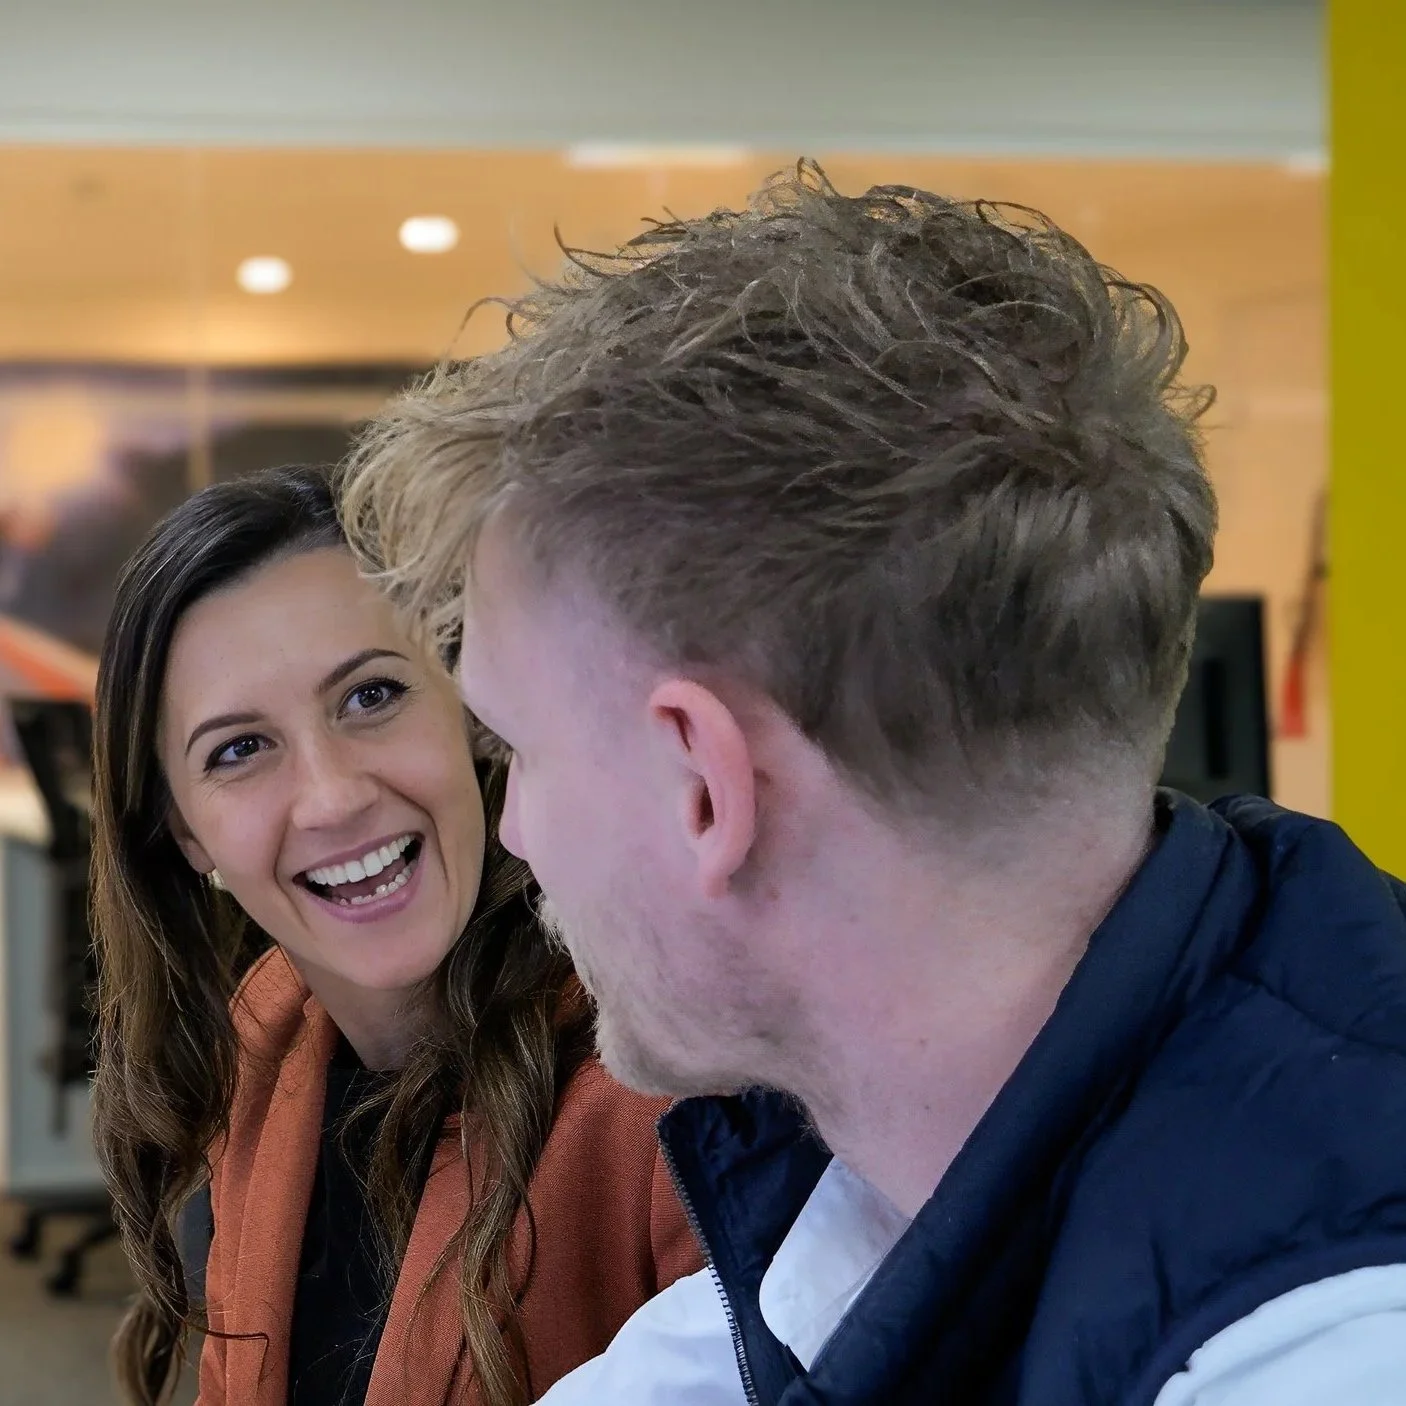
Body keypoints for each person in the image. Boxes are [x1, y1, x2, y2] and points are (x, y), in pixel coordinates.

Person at [338, 162, 1406, 1406]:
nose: (513, 828)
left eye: (519, 747)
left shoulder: (1331, 1343)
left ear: (703, 787)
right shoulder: (889, 1161)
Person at [89, 465, 702, 1406]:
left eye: (371, 696)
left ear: (466, 705)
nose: (334, 795)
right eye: (240, 750)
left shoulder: (666, 1085)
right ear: (184, 833)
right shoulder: (269, 1032)